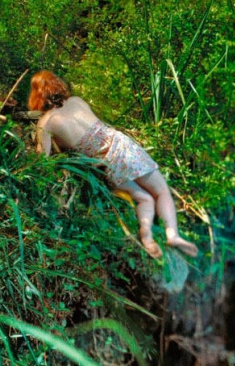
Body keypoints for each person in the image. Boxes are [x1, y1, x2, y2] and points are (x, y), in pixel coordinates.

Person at [28, 70, 198, 259]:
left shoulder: (46, 123)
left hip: (106, 165)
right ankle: (172, 234)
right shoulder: (76, 102)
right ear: (57, 86)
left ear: (36, 94)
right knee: (162, 191)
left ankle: (147, 236)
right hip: (123, 149)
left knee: (144, 198)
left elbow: (41, 159)